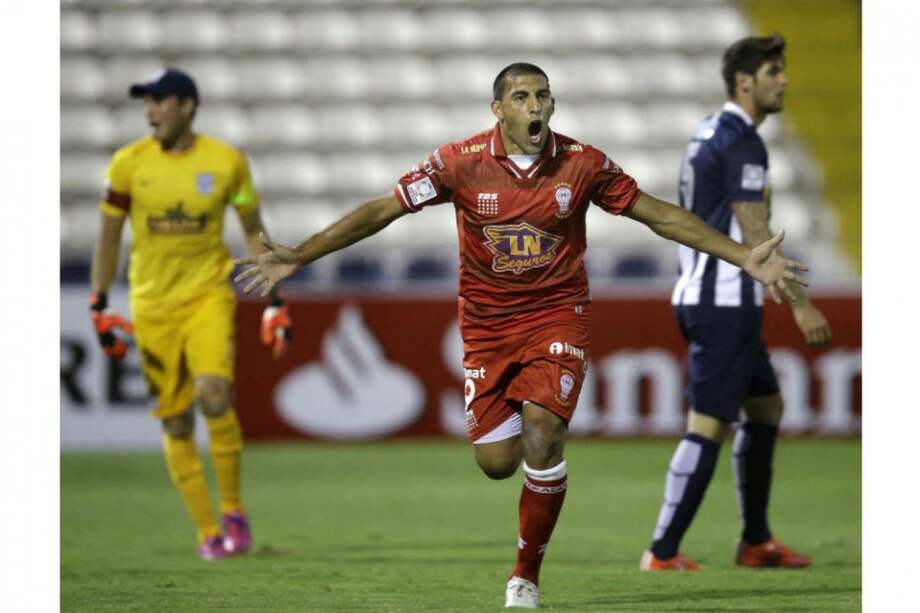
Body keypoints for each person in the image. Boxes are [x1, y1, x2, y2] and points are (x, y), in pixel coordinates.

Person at [233, 62, 807, 608]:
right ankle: (525, 506)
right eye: (522, 97)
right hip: (485, 328)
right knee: (497, 462)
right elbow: (384, 209)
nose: (537, 107)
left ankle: (524, 576)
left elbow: (656, 213)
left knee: (543, 432)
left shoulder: (582, 163)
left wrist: (742, 257)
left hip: (558, 315)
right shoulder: (458, 163)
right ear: (498, 109)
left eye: (543, 95)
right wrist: (302, 255)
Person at [639, 35, 832, 572]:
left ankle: (756, 541)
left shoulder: (709, 131)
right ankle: (661, 551)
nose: (784, 80)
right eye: (774, 71)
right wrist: (799, 304)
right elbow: (754, 229)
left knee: (766, 408)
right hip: (722, 299)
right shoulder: (743, 140)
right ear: (745, 81)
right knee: (709, 424)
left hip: (711, 293)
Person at [89, 68, 293, 560]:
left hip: (207, 296)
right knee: (177, 420)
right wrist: (99, 302)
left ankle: (233, 513)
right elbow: (110, 237)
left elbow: (251, 227)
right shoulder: (127, 164)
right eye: (147, 102)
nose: (149, 111)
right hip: (151, 303)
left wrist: (273, 299)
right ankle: (207, 531)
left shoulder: (226, 162)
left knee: (214, 395)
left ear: (187, 105)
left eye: (158, 101)